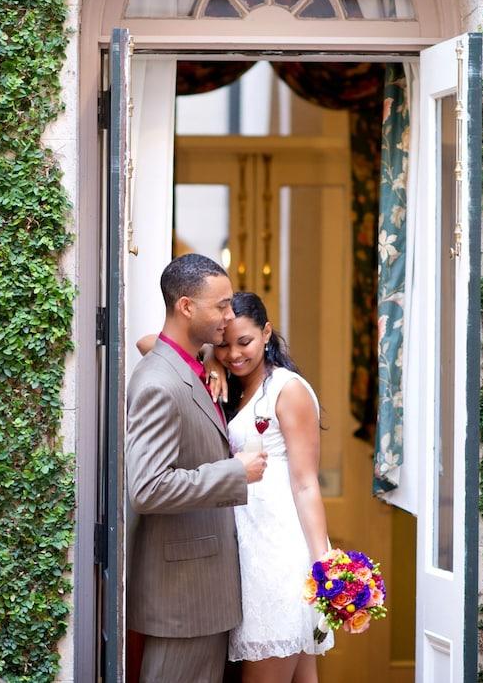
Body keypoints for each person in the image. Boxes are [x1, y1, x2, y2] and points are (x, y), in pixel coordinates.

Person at [126, 254, 269, 683]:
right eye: (221, 306)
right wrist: (234, 473)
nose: (229, 315)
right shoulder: (159, 383)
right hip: (183, 598)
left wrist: (211, 357)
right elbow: (148, 488)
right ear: (186, 307)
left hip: (201, 593)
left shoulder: (191, 364)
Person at [214, 291, 334, 682]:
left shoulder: (288, 389)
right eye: (224, 344)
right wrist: (209, 360)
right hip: (252, 547)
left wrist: (324, 565)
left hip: (277, 552)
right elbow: (149, 343)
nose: (234, 354)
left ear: (266, 333)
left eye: (244, 341)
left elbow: (305, 483)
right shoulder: (234, 385)